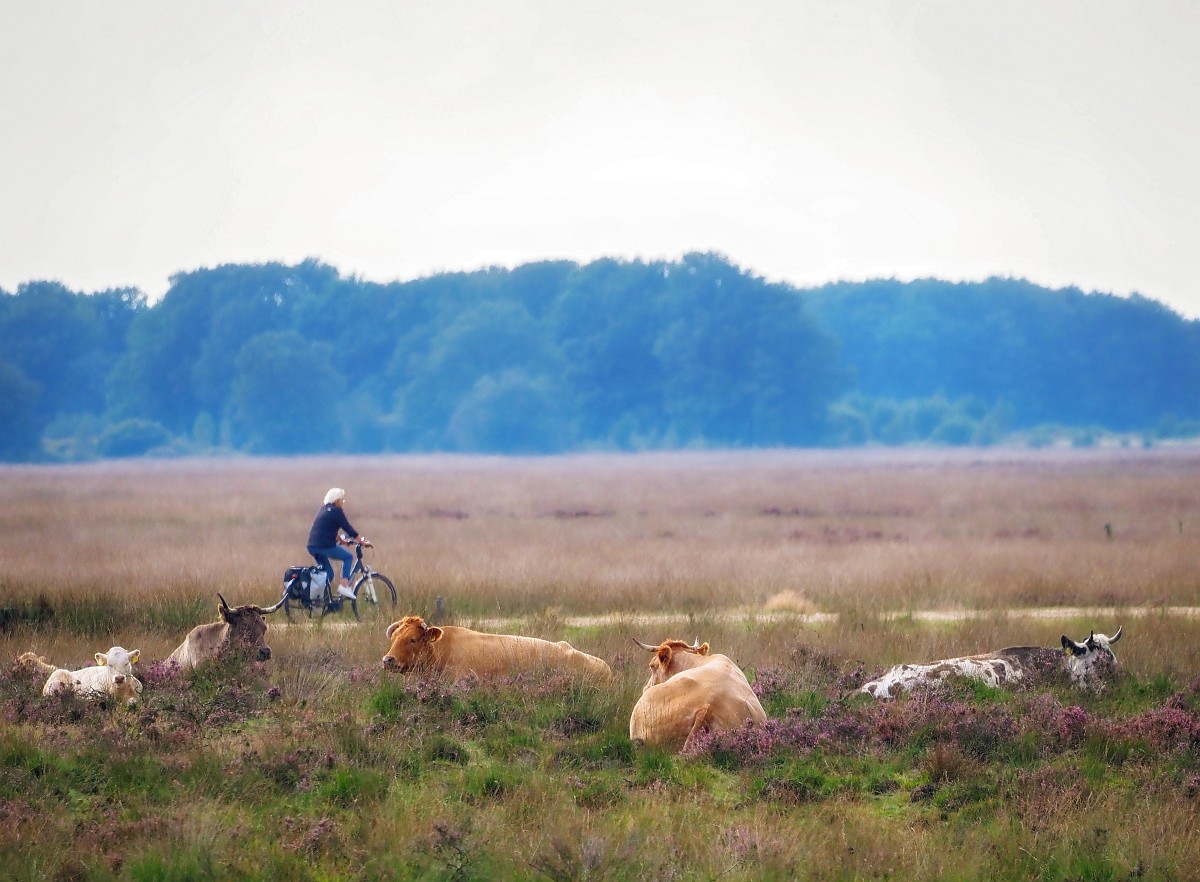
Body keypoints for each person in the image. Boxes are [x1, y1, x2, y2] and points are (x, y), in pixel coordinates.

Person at [306, 488, 372, 601]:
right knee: (348, 557)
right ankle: (344, 586)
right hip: (324, 546)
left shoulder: (323, 509)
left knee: (329, 574)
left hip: (312, 546)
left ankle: (317, 600)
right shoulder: (336, 511)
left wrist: (342, 542)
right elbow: (347, 528)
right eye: (342, 500)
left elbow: (329, 530)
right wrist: (361, 541)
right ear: (336, 500)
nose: (342, 502)